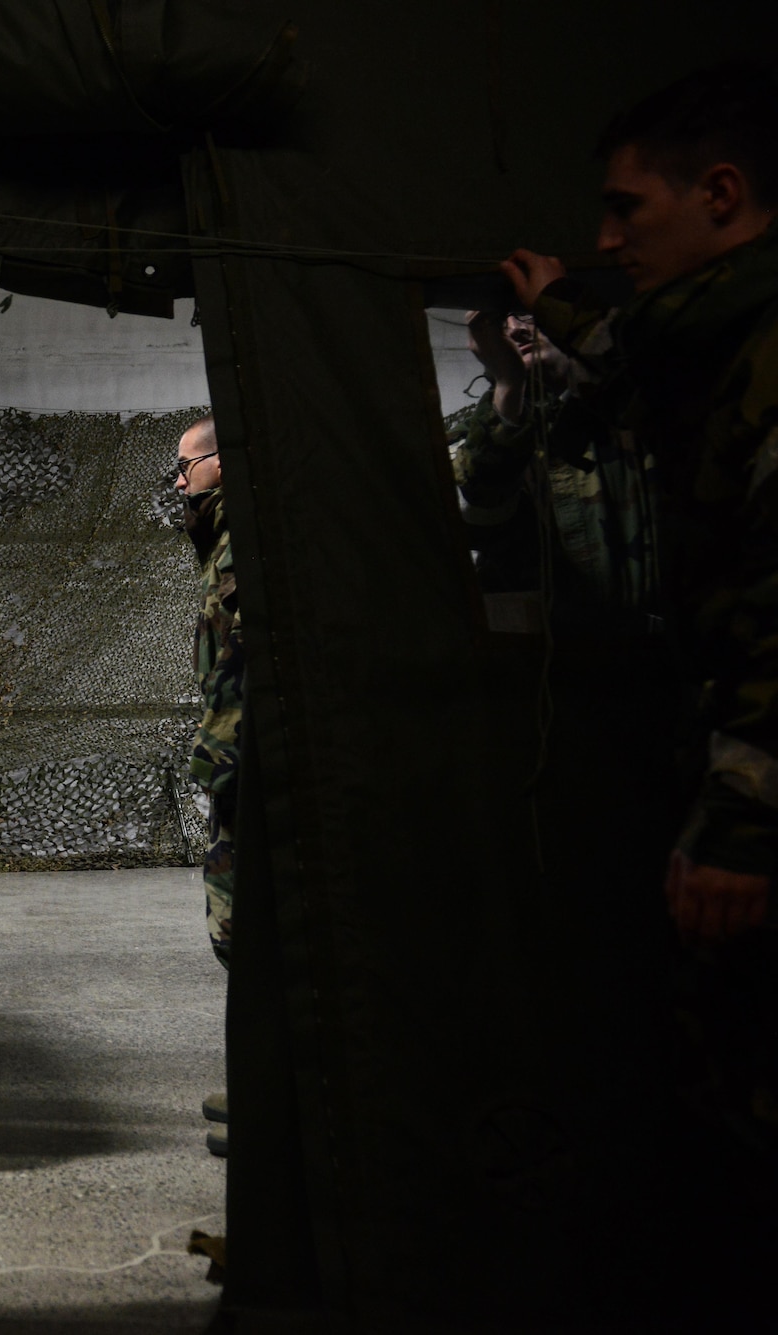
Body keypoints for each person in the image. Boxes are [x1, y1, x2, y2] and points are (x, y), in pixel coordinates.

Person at [503, 64, 778, 1164]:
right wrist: (554, 308)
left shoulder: (761, 357)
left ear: (718, 194)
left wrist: (744, 823)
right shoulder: (706, 336)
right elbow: (635, 352)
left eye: (628, 209)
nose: (608, 241)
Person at [449, 309, 660, 631]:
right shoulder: (480, 432)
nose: (515, 330)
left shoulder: (632, 408)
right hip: (549, 652)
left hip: (657, 642)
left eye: (526, 314)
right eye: (500, 324)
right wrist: (509, 382)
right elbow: (482, 509)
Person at [177, 414, 240, 1157]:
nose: (179, 480)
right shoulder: (220, 535)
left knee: (245, 924)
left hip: (249, 758)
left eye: (186, 466)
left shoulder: (242, 538)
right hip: (235, 759)